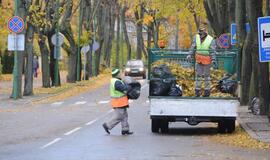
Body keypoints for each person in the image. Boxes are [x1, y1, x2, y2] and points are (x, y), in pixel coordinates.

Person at [187, 26, 217, 97]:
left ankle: (207, 92)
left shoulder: (210, 39)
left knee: (207, 76)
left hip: (207, 60)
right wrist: (189, 54)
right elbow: (193, 46)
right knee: (198, 76)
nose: (200, 35)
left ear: (205, 33)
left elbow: (212, 51)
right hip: (198, 59)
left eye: (201, 34)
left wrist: (213, 60)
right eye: (199, 33)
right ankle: (197, 91)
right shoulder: (196, 37)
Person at [102, 68, 133, 135]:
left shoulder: (117, 80)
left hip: (122, 102)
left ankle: (125, 130)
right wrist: (129, 87)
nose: (121, 74)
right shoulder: (116, 82)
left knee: (124, 116)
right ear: (117, 75)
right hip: (118, 102)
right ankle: (107, 125)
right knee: (119, 116)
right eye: (120, 73)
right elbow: (122, 88)